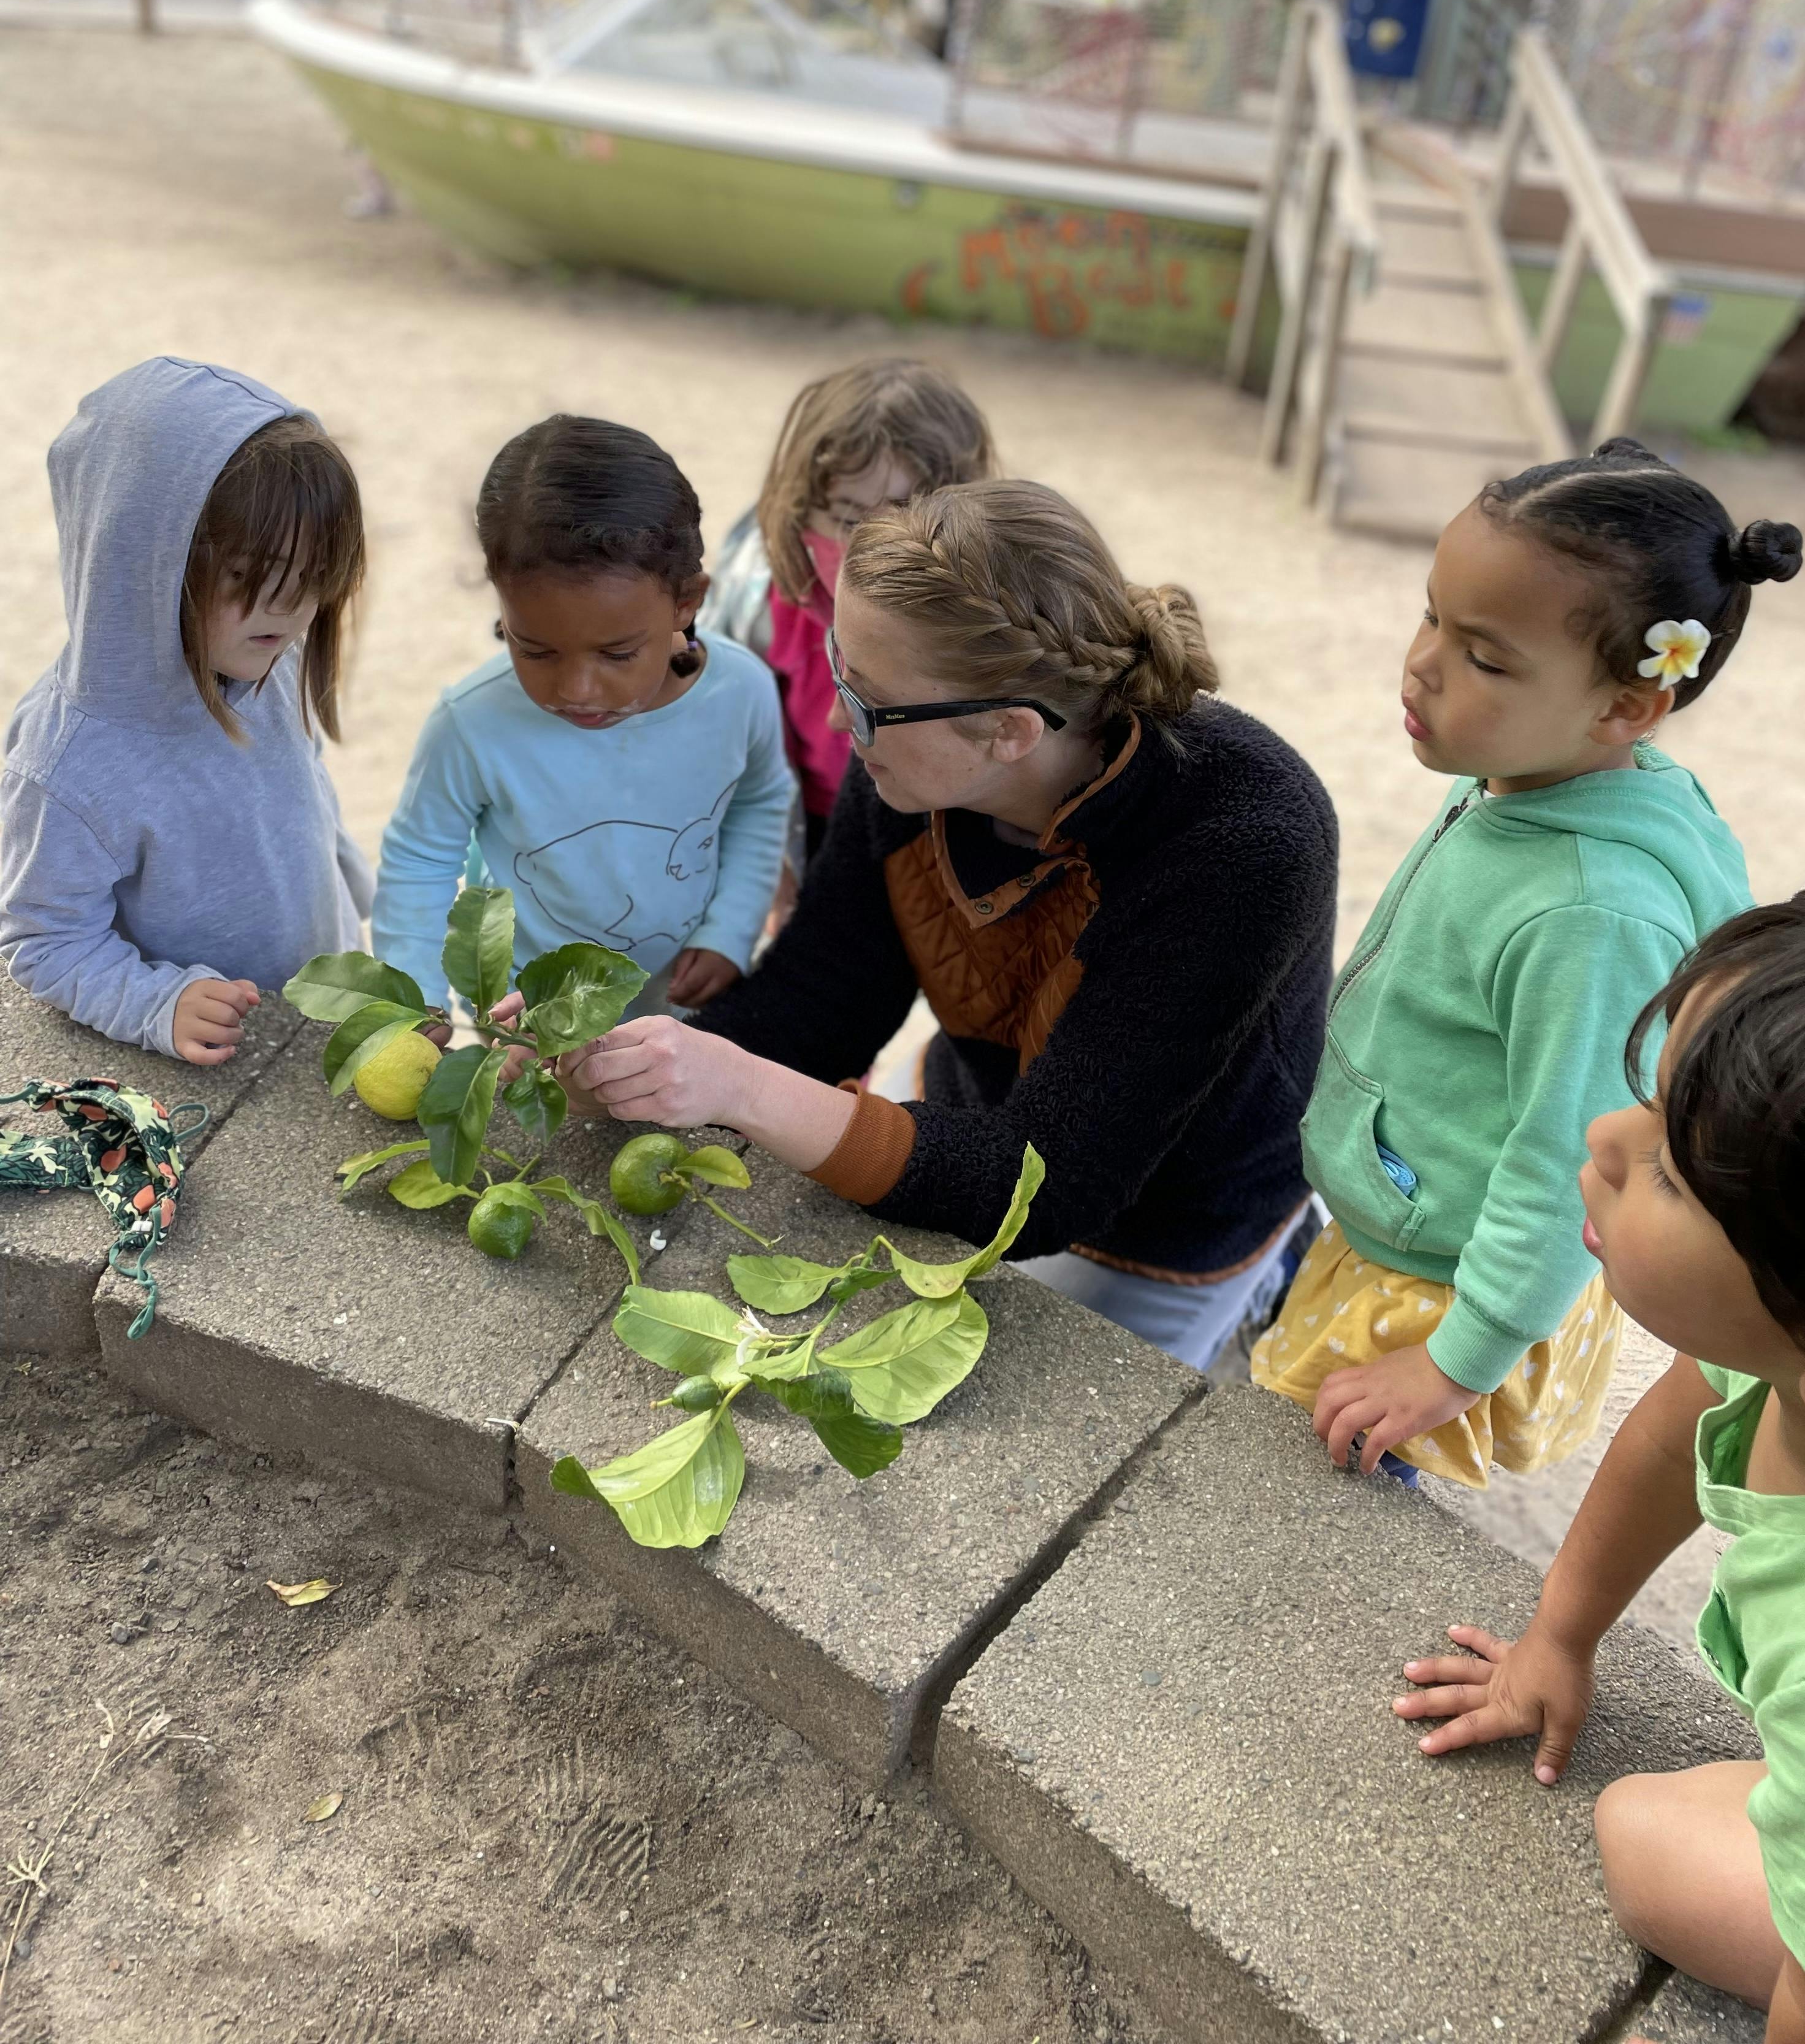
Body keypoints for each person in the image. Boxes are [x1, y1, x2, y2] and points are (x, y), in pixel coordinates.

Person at [553, 478, 1340, 1371]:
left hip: (1170, 1214)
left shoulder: (1246, 839)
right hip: (987, 1103)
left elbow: (1044, 1187)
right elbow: (826, 998)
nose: (831, 717)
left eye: (862, 701)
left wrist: (736, 1087)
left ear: (1008, 731)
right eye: (838, 671)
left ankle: (1270, 1275)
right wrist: (639, 1058)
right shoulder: (911, 750)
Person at [1252, 438, 1803, 1487]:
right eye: (1429, 615)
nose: (1420, 662)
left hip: (1444, 1289)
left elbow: (1563, 1161)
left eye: (1485, 657)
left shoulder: (1587, 912)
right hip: (1414, 1220)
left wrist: (1453, 1364)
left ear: (1629, 703)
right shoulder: (1534, 770)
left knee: (1328, 1484)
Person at [1396, 879, 1805, 2044]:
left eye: (1666, 1167)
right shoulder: (1802, 1345)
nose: (1600, 1139)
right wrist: (1558, 1634)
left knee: (1642, 1840)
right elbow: (1666, 1434)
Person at [0, 356, 370, 1066]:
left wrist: (354, 904)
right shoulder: (69, 764)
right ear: (140, 558)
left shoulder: (266, 656)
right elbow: (43, 940)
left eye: (314, 575)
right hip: (228, 1050)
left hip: (321, 1011)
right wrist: (154, 1003)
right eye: (250, 577)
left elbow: (306, 789)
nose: (292, 609)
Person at [370, 415, 792, 1024]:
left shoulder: (741, 692)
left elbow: (760, 800)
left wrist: (730, 929)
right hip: (529, 1015)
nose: (577, 690)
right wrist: (416, 1000)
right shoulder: (472, 722)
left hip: (677, 1005)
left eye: (618, 654)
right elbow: (419, 856)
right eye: (534, 649)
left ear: (686, 603)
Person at [706, 357, 998, 874]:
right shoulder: (763, 607)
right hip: (808, 829)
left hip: (937, 836)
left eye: (905, 512)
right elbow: (736, 744)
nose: (869, 544)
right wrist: (777, 865)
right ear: (799, 510)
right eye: (845, 515)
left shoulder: (983, 617)